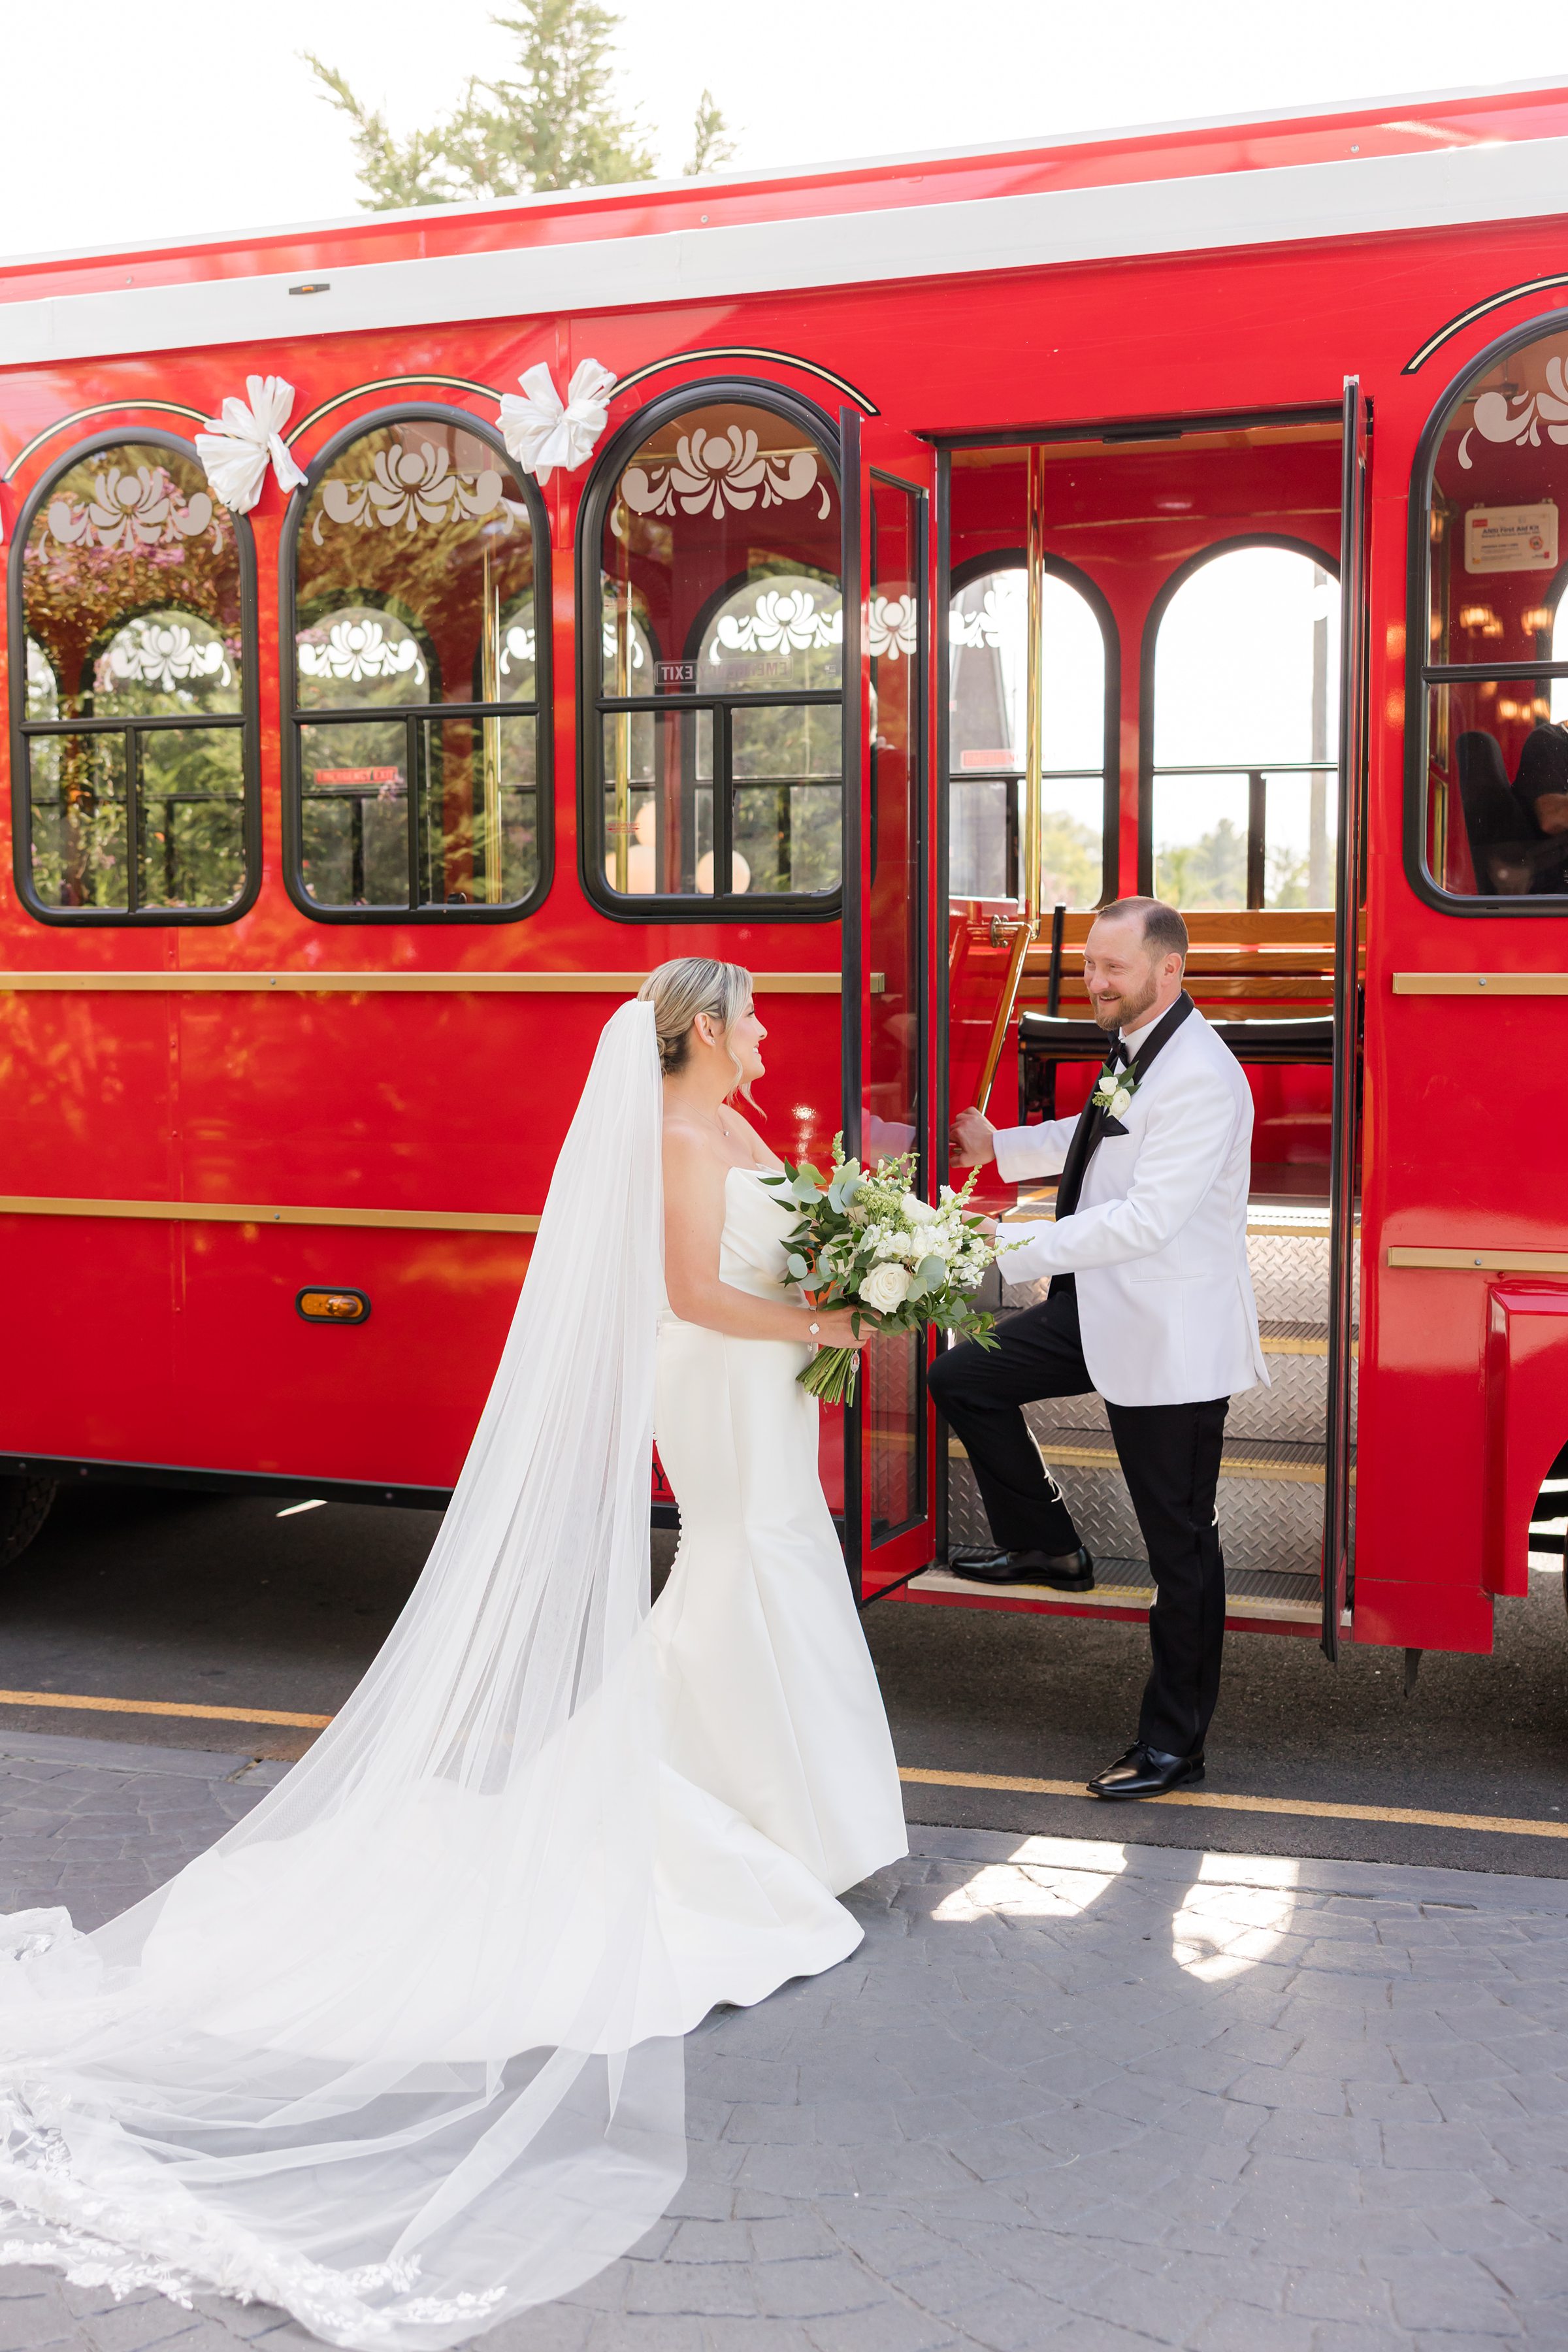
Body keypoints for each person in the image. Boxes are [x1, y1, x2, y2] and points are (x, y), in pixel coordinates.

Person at [0, 963, 905, 2350]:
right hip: (721, 1379)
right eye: (757, 1015)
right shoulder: (671, 1131)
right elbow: (686, 1292)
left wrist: (851, 1270)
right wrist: (823, 1323)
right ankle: (745, 1809)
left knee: (762, 1564)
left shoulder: (737, 1121)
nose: (774, 1031)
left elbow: (771, 1252)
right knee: (744, 1558)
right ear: (709, 1029)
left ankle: (763, 1799)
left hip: (764, 1383)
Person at [934, 896, 1266, 1803]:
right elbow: (1098, 1145)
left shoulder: (1199, 1073)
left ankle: (1174, 1747)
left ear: (1169, 970)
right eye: (1088, 966)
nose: (1095, 983)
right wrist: (999, 1147)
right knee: (963, 1376)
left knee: (1180, 1551)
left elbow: (1147, 1217)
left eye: (1112, 969)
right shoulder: (1138, 1047)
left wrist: (1001, 1247)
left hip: (1168, 1337)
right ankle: (1046, 1544)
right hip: (1102, 1307)